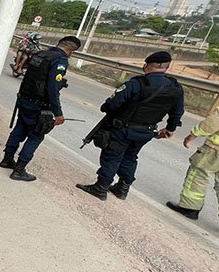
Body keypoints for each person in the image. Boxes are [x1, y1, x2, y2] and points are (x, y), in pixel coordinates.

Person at [76, 51, 185, 200]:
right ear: (167, 67)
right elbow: (177, 112)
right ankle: (122, 188)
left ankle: (101, 188)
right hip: (147, 131)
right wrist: (170, 129)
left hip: (123, 129)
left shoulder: (136, 83)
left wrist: (106, 107)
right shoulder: (176, 87)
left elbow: (112, 105)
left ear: (145, 65)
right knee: (130, 157)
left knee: (112, 157)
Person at [1, 35, 82, 181]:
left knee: (19, 130)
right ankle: (19, 170)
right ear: (72, 50)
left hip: (25, 99)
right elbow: (53, 88)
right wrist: (58, 113)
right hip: (40, 106)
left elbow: (28, 78)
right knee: (36, 136)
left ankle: (7, 159)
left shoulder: (40, 54)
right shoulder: (60, 60)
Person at [166, 107, 219, 220]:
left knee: (198, 175)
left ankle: (189, 208)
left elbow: (213, 122)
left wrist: (193, 134)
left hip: (214, 150)